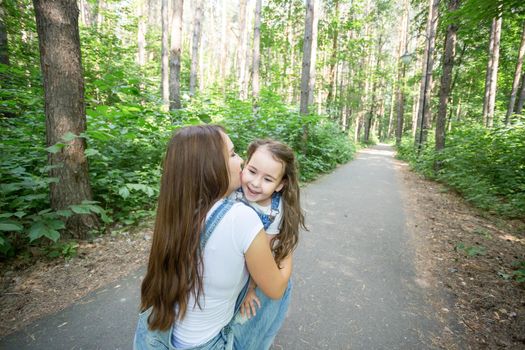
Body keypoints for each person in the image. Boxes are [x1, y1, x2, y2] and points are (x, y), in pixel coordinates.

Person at [133, 125, 292, 350]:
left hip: (157, 337)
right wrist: (286, 246)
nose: (241, 162)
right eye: (233, 153)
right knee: (282, 278)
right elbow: (275, 289)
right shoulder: (241, 217)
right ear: (211, 166)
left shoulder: (179, 209)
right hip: (206, 345)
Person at [229, 139, 306, 349]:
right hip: (231, 260)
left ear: (280, 185)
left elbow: (267, 252)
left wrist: (250, 290)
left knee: (247, 314)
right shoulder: (233, 190)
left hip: (255, 268)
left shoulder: (275, 211)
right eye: (252, 171)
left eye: (268, 179)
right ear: (244, 166)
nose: (255, 183)